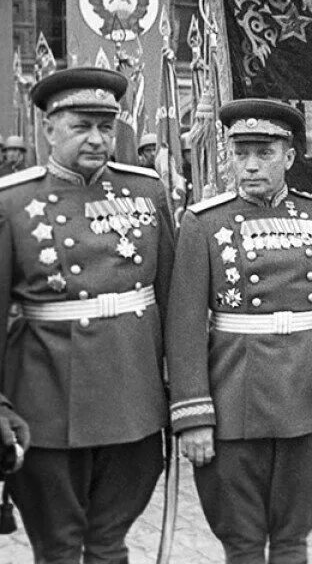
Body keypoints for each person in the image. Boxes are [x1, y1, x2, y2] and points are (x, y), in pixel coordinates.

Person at [166, 97, 312, 563]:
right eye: (241, 154)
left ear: (290, 156)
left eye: (265, 153)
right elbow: (184, 329)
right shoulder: (204, 224)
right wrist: (193, 418)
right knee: (241, 542)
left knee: (293, 538)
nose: (251, 166)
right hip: (235, 401)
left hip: (306, 399)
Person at [1, 67, 175, 562]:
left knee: (108, 542)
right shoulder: (14, 202)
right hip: (47, 406)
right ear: (49, 128)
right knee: (57, 547)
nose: (98, 139)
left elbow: (175, 303)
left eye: (106, 125)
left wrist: (184, 397)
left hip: (133, 400)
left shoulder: (147, 192)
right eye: (82, 126)